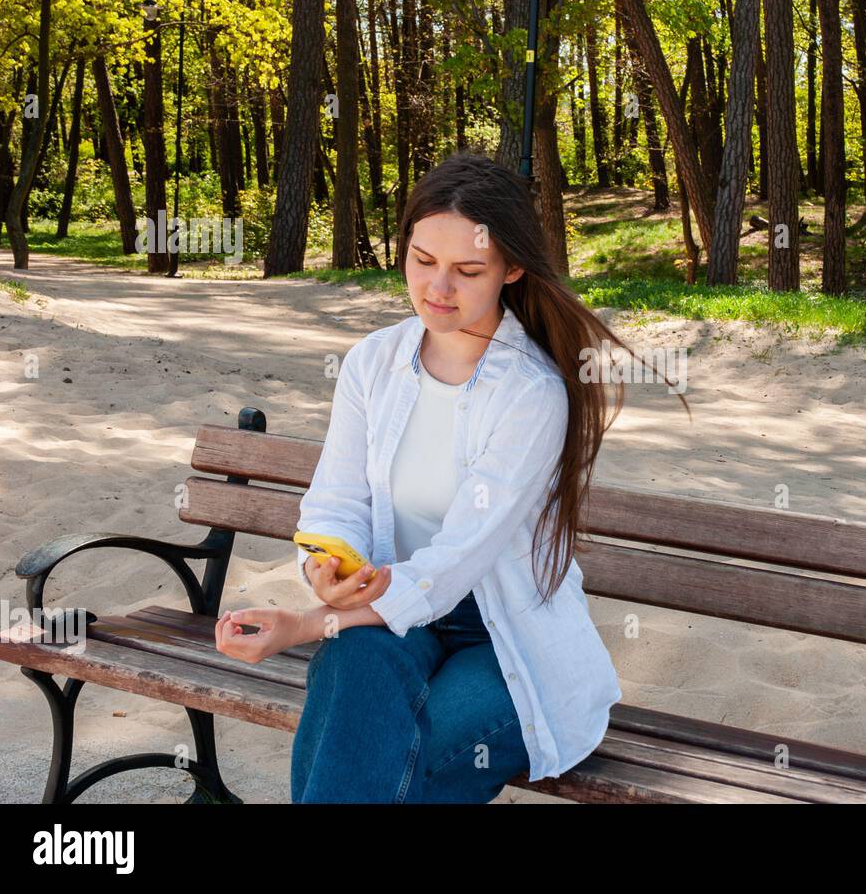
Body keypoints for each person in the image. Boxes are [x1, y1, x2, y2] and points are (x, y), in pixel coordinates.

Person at [214, 150, 687, 803]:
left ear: (511, 268)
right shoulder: (372, 364)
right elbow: (336, 500)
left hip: (504, 642)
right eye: (422, 261)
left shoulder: (530, 395)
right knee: (353, 678)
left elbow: (454, 564)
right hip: (385, 618)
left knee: (394, 765)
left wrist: (301, 624)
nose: (438, 289)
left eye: (468, 270)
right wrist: (323, 566)